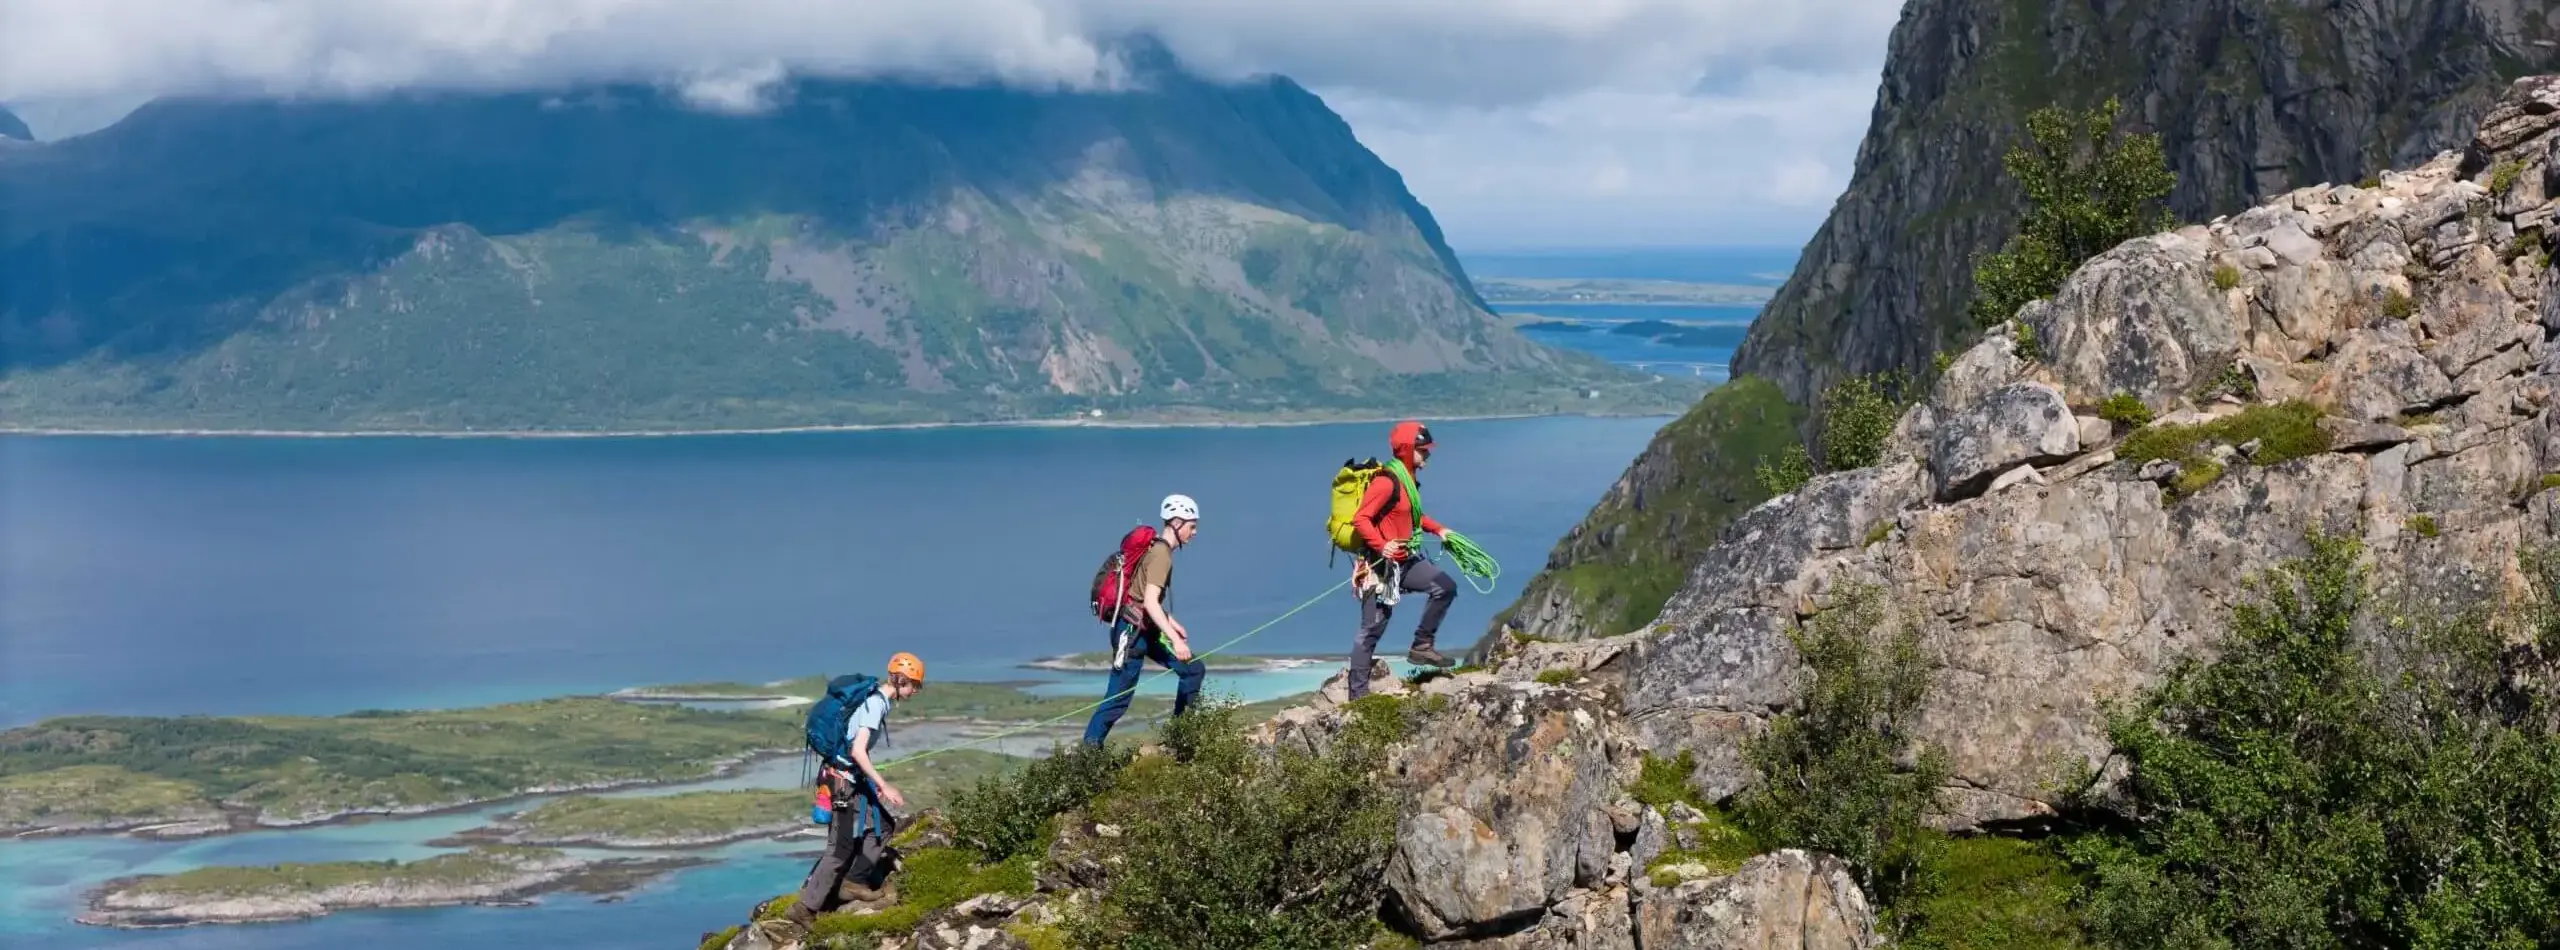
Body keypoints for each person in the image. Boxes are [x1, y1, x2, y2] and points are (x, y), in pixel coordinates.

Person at [784, 652, 924, 936]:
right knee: (840, 849)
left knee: (884, 826)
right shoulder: (875, 704)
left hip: (850, 777)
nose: (915, 691)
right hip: (843, 782)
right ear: (900, 681)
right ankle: (805, 908)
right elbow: (857, 751)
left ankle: (853, 882)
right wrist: (884, 785)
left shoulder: (877, 701)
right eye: (914, 685)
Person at [1081, 494, 1208, 746]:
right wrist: (1175, 640)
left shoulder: (1157, 549)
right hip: (1131, 634)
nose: (1194, 532)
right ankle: (1088, 758)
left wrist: (1170, 620)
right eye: (1192, 526)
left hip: (1143, 629)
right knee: (1117, 700)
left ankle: (1181, 737)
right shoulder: (1161, 555)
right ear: (1177, 522)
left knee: (1193, 670)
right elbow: (1149, 601)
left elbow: (1139, 594)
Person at [1348, 421, 1459, 699]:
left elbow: (1412, 515)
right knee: (1372, 629)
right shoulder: (1387, 481)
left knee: (1444, 587)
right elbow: (1360, 518)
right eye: (1423, 450)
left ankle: (1422, 645)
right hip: (1381, 566)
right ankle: (1357, 697)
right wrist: (1381, 545)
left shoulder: (1407, 482)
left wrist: (1439, 529)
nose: (1428, 455)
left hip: (1404, 561)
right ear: (1408, 450)